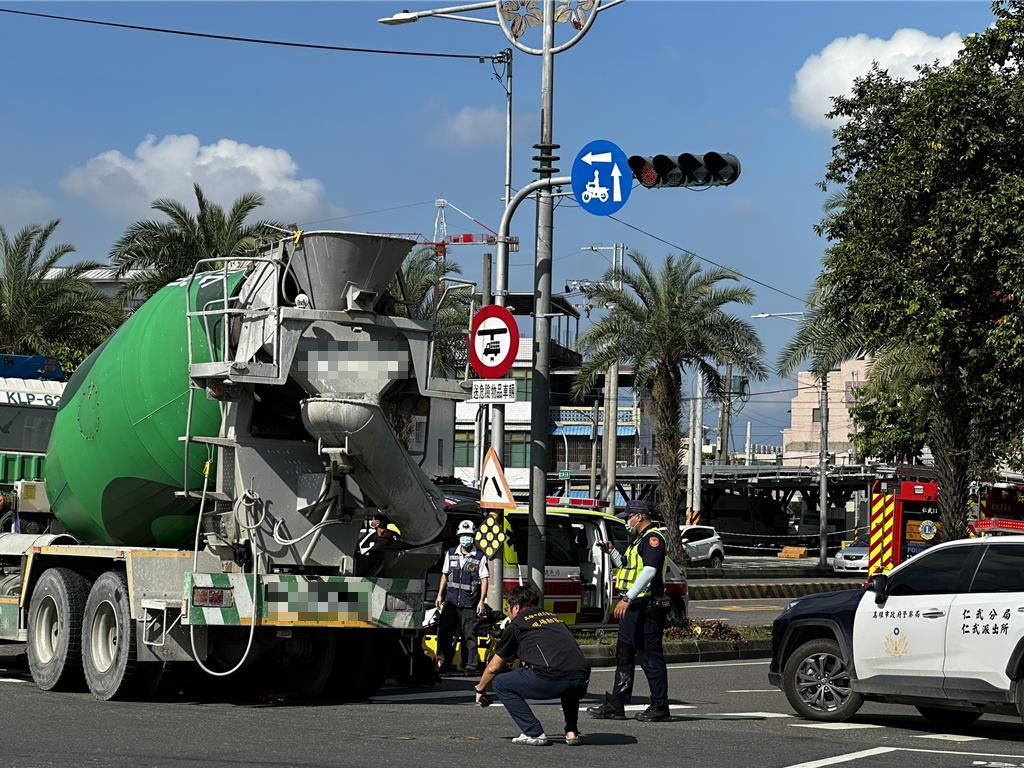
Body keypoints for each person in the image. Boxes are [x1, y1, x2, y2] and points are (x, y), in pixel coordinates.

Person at [473, 586, 590, 747]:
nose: (508, 613)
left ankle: (534, 732)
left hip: (551, 680)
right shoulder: (554, 618)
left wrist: (480, 689)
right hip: (581, 679)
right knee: (567, 674)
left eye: (508, 609)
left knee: (501, 683)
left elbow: (494, 667)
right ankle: (572, 732)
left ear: (516, 607)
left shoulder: (516, 625)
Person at [587, 505, 671, 722]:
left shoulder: (653, 539)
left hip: (646, 606)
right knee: (624, 653)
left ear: (640, 516)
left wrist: (627, 598)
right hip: (634, 607)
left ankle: (660, 706)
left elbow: (650, 571)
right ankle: (617, 703)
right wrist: (612, 551)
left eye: (629, 517)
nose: (627, 522)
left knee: (650, 656)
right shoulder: (638, 539)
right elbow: (626, 566)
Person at [435, 519, 489, 674]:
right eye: (463, 535)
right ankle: (446, 663)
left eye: (469, 535)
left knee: (469, 636)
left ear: (473, 537)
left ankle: (471, 666)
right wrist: (439, 595)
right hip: (451, 601)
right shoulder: (451, 553)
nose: (466, 538)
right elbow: (445, 575)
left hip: (469, 603)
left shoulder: (479, 556)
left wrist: (481, 601)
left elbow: (484, 579)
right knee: (444, 632)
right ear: (458, 536)